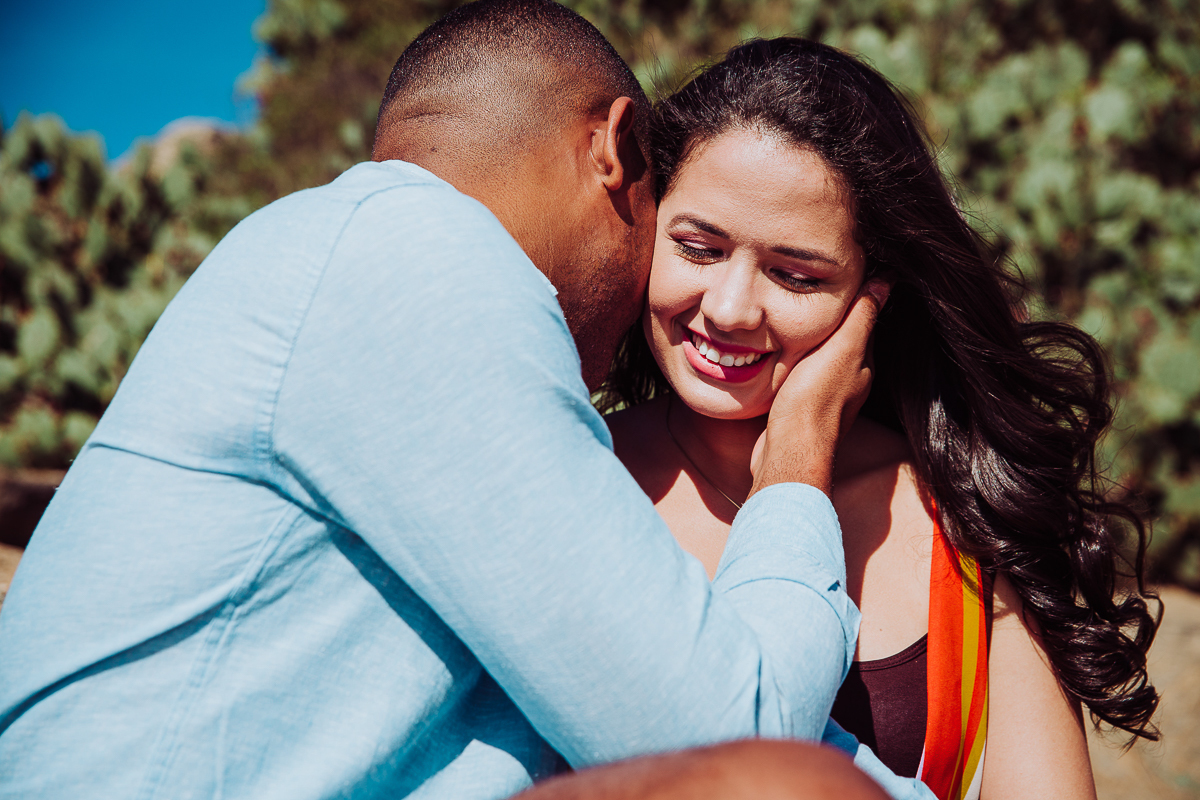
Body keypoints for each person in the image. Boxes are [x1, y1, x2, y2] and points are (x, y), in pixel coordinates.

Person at [0, 5, 930, 800]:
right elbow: (732, 735)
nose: (682, 288)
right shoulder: (418, 263)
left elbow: (627, 709)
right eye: (677, 232)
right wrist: (797, 464)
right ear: (616, 151)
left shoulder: (357, 266)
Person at [603, 37, 1161, 800]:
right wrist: (795, 457)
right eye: (698, 248)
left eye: (795, 274)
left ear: (875, 292)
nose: (730, 308)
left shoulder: (962, 520)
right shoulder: (578, 475)